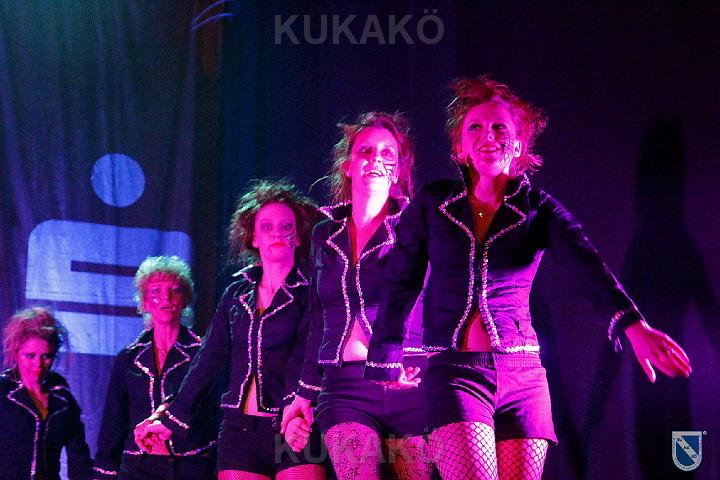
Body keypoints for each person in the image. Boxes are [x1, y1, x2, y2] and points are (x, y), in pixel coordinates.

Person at [364, 76, 692, 480]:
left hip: (524, 377)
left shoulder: (539, 209)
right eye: (475, 127)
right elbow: (401, 281)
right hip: (455, 373)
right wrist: (386, 354)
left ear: (518, 144)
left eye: (500, 127)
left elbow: (587, 268)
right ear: (459, 147)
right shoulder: (433, 203)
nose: (488, 136)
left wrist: (633, 325)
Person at [137, 180, 326, 480]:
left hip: (296, 423)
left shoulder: (312, 292)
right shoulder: (235, 296)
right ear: (253, 238)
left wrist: (296, 408)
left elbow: (307, 356)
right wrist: (170, 417)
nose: (277, 233)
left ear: (299, 237)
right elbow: (207, 360)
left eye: (286, 226)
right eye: (267, 227)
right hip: (240, 431)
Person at [282, 112, 433, 480]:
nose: (375, 160)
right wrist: (304, 394)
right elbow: (319, 319)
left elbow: (429, 299)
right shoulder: (324, 234)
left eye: (387, 153)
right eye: (365, 151)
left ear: (398, 171)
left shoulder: (417, 225)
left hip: (408, 382)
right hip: (344, 387)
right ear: (347, 166)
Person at [93, 256, 218, 479]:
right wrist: (104, 474)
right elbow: (113, 424)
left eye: (174, 290)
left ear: (185, 298)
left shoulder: (203, 355)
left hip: (190, 468)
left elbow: (213, 416)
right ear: (144, 302)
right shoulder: (128, 359)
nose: (166, 298)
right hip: (138, 470)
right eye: (156, 291)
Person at [0, 307, 93, 480]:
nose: (38, 364)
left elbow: (79, 459)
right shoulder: (3, 393)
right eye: (30, 356)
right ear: (16, 353)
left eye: (46, 356)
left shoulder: (64, 401)